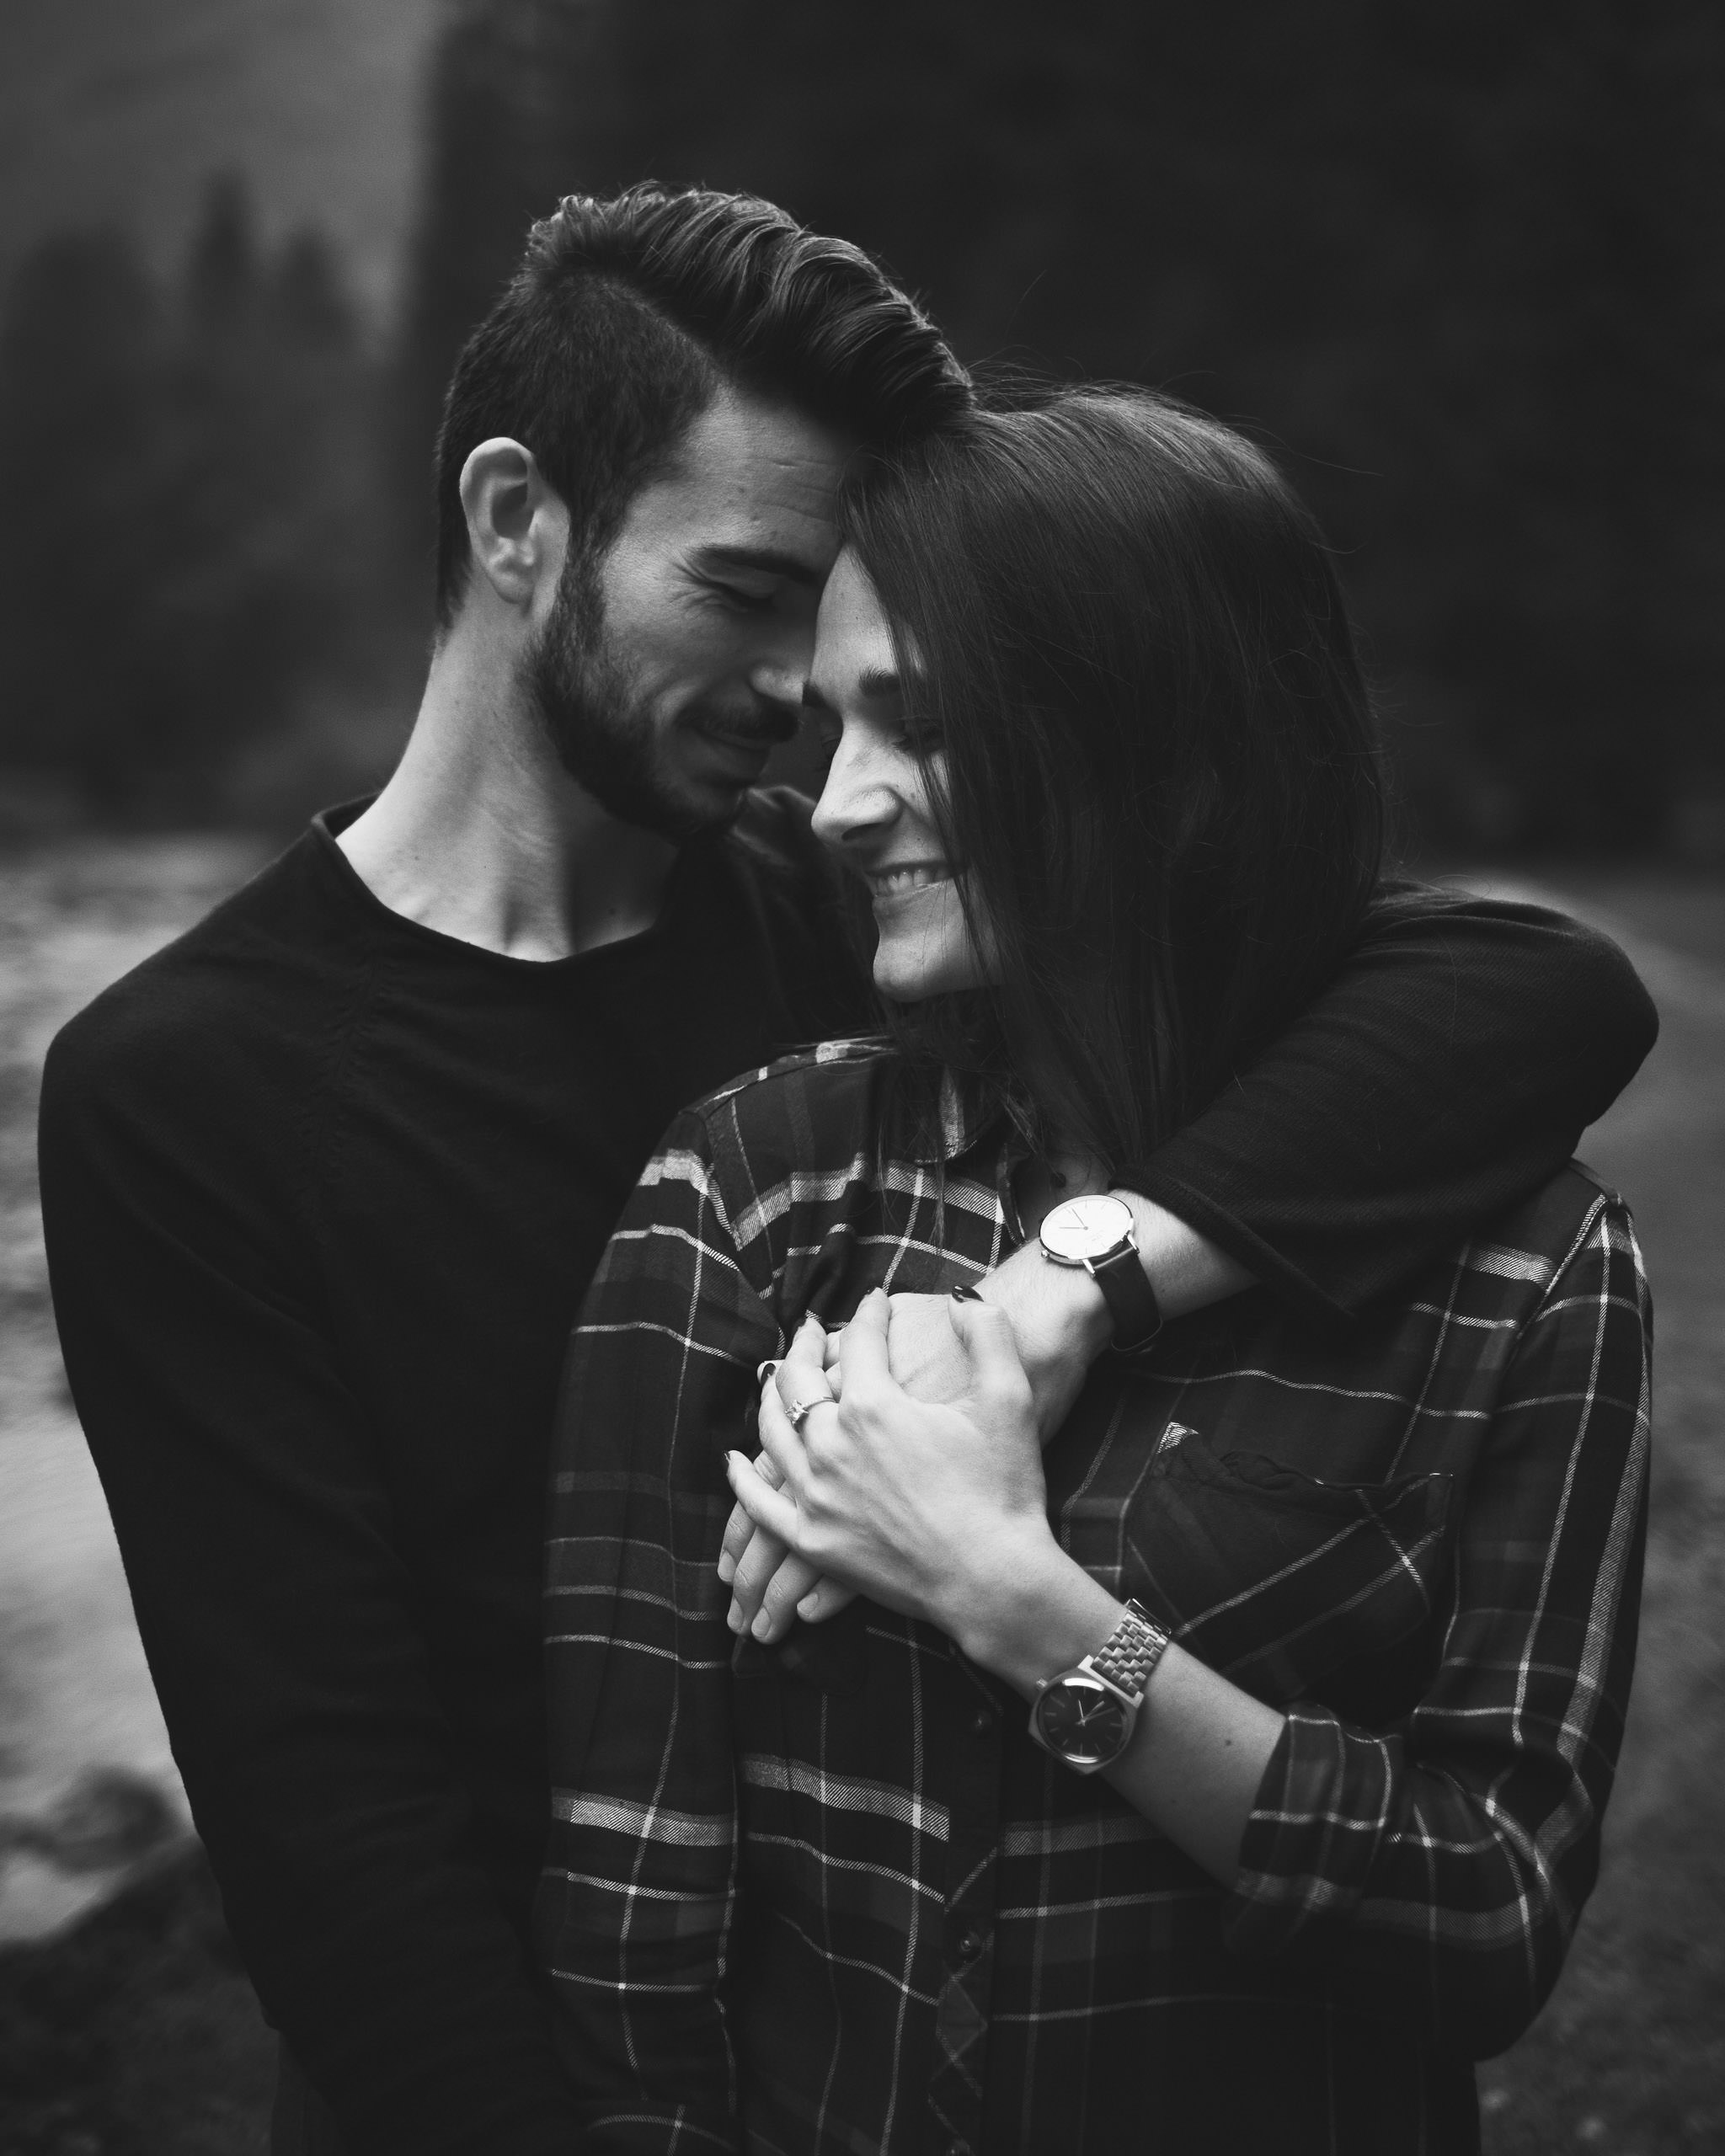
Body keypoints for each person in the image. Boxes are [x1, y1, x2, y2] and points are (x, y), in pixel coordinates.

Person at [37, 183, 1649, 2156]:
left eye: (843, 625)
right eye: (742, 588)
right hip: (475, 2076)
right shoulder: (188, 1087)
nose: (802, 694)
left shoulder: (851, 924)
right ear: (516, 521)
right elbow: (330, 1818)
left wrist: (1064, 1288)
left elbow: (1533, 987)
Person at [538, 389, 1653, 2155]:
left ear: (1165, 741)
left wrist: (1018, 1600)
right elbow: (634, 1899)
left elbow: (1490, 1914)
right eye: (832, 724)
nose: (835, 799)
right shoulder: (758, 1192)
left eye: (919, 724)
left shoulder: (1525, 1267)